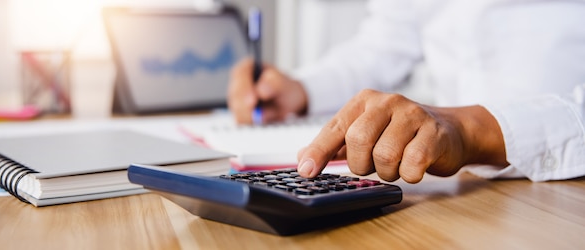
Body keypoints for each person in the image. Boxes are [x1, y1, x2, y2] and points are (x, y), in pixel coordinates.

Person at [227, 0, 585, 183]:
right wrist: (301, 89)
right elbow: (384, 41)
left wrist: (475, 130)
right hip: (463, 187)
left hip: (565, 188)